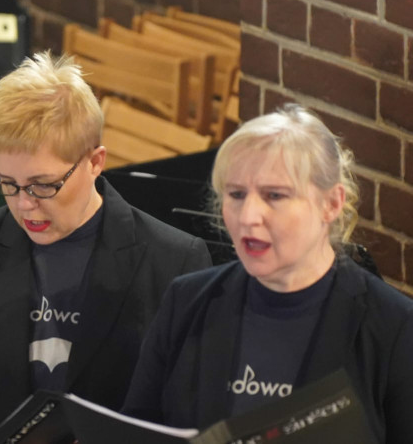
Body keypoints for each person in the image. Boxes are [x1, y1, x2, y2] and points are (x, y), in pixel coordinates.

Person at [0, 53, 212, 443]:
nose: (24, 204)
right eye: (8, 184)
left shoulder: (174, 261)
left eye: (43, 185)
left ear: (95, 161)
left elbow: (187, 415)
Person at [122, 105, 413, 443]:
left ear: (331, 204)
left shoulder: (395, 329)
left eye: (274, 195)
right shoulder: (186, 301)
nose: (249, 217)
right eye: (236, 194)